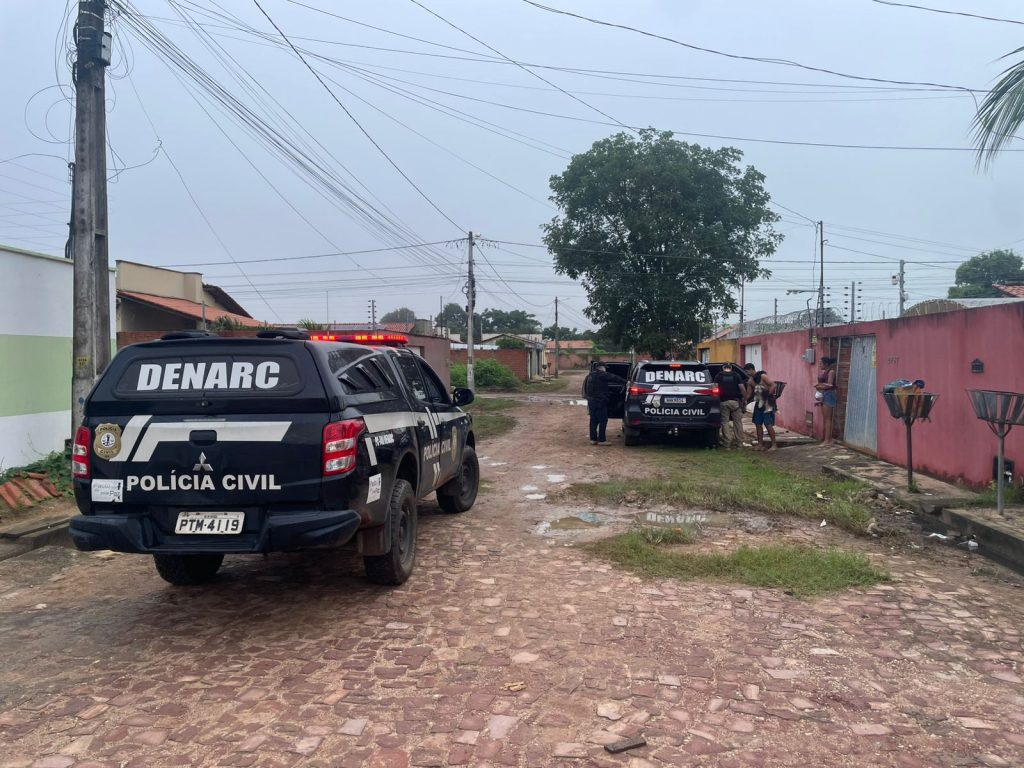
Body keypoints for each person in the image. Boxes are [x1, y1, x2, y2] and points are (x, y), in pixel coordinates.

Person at [585, 363, 625, 446]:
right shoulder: (602, 374)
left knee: (593, 420)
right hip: (600, 401)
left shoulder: (590, 375)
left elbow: (585, 388)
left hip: (591, 401)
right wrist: (626, 381)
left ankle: (593, 439)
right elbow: (614, 377)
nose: (605, 369)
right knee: (603, 420)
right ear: (601, 368)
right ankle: (602, 440)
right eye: (605, 368)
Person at [714, 362, 746, 448]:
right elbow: (742, 388)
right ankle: (739, 443)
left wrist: (716, 400)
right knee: (738, 422)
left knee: (725, 422)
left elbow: (715, 388)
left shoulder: (718, 376)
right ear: (731, 368)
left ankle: (727, 443)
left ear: (723, 368)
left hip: (723, 402)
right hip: (735, 403)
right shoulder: (736, 375)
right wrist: (745, 399)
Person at [750, 369, 778, 451]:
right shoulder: (751, 380)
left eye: (748, 372)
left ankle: (774, 445)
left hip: (767, 402)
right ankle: (760, 444)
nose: (747, 374)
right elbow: (750, 393)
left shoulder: (763, 376)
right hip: (759, 403)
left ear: (751, 370)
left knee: (767, 423)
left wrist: (768, 396)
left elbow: (774, 385)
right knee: (758, 423)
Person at [815, 356, 838, 445]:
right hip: (824, 394)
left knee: (828, 418)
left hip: (829, 394)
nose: (819, 365)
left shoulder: (831, 372)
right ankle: (828, 439)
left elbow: (829, 385)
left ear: (826, 364)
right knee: (826, 418)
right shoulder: (824, 372)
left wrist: (819, 386)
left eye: (821, 363)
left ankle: (827, 440)